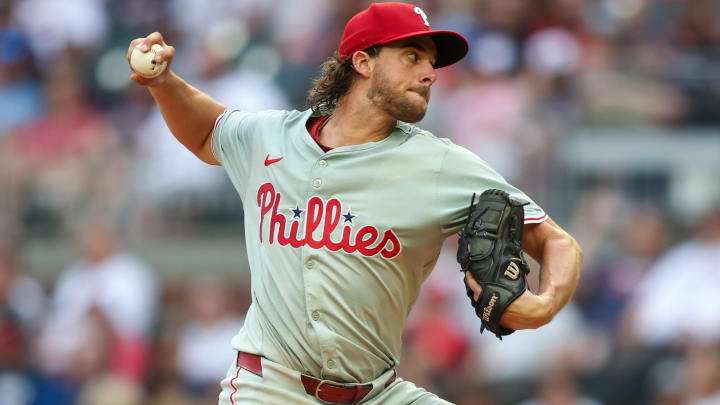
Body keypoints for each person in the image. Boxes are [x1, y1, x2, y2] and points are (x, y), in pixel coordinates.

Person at [127, 3, 583, 404]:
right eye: (412, 56)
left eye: (431, 62)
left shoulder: (442, 164)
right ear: (363, 61)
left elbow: (557, 242)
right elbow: (207, 129)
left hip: (378, 392)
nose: (429, 73)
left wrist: (543, 305)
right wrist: (163, 82)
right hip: (271, 388)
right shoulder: (271, 136)